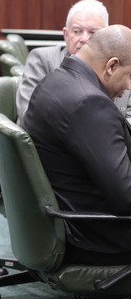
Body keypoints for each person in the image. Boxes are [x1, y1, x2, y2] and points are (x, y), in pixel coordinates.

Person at [23, 24, 131, 265]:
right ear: (112, 66)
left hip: (63, 221)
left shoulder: (55, 80)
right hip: (97, 236)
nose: (128, 87)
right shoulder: (90, 103)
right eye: (130, 76)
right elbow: (127, 198)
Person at [16, 0, 131, 125]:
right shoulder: (42, 59)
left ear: (107, 37)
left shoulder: (122, 67)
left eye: (93, 32)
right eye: (77, 31)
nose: (84, 38)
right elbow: (28, 114)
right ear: (66, 34)